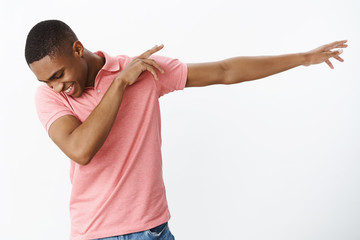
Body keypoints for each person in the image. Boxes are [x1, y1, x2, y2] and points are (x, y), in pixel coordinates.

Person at [25, 19, 347, 240]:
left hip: (150, 229)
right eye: (46, 82)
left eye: (58, 75)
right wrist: (120, 84)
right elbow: (80, 149)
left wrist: (304, 57)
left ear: (78, 49)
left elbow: (224, 70)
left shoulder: (143, 71)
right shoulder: (51, 99)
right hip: (92, 232)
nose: (56, 87)